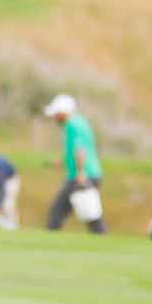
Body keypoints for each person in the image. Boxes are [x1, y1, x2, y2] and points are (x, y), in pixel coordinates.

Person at [42, 94, 106, 234]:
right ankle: (102, 238)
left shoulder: (72, 126)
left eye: (56, 114)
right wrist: (60, 162)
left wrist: (81, 172)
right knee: (90, 214)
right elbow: (75, 151)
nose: (54, 117)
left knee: (58, 212)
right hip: (88, 174)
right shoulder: (79, 122)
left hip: (81, 175)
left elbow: (80, 151)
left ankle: (50, 237)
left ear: (63, 113)